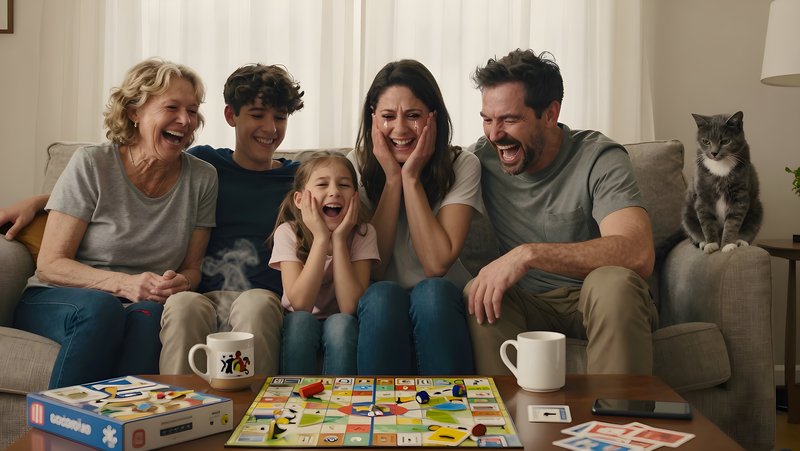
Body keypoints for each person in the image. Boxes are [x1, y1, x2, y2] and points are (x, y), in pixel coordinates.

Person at [11, 58, 218, 388]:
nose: (185, 121)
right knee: (103, 308)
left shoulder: (202, 178)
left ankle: (127, 431)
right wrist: (123, 284)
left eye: (192, 110)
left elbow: (193, 268)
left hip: (138, 303)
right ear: (135, 111)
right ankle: (63, 428)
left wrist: (180, 283)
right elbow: (51, 264)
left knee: (150, 319)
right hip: (60, 297)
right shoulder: (92, 163)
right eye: (172, 107)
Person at [466, 49, 658, 375]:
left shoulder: (599, 157)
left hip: (598, 301)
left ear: (550, 114)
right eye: (487, 119)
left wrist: (528, 254)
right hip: (528, 306)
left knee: (611, 283)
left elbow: (638, 253)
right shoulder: (479, 161)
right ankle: (505, 422)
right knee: (479, 292)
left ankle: (617, 422)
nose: (495, 134)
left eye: (510, 120)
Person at [159, 64, 305, 376]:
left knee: (256, 306)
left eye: (279, 117)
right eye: (257, 114)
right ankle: (179, 415)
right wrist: (43, 201)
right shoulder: (203, 163)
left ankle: (254, 417)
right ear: (231, 116)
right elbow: (148, 182)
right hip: (204, 294)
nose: (270, 127)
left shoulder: (298, 178)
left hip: (263, 298)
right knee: (182, 306)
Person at [348, 60, 483, 375]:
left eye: (413, 116)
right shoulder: (353, 166)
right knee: (382, 294)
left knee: (431, 293)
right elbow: (375, 268)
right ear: (372, 120)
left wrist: (410, 179)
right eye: (387, 117)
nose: (400, 129)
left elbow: (436, 265)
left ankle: (452, 415)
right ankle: (377, 415)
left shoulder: (464, 164)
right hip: (381, 299)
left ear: (433, 118)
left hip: (442, 299)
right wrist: (392, 180)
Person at [268, 151, 378, 374]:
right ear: (300, 200)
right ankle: (296, 400)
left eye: (344, 185)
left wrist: (338, 239)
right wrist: (320, 238)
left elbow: (349, 307)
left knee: (341, 324)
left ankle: (341, 400)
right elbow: (301, 305)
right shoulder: (288, 232)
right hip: (299, 320)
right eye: (322, 184)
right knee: (301, 322)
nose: (334, 192)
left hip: (341, 320)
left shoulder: (364, 233)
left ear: (355, 198)